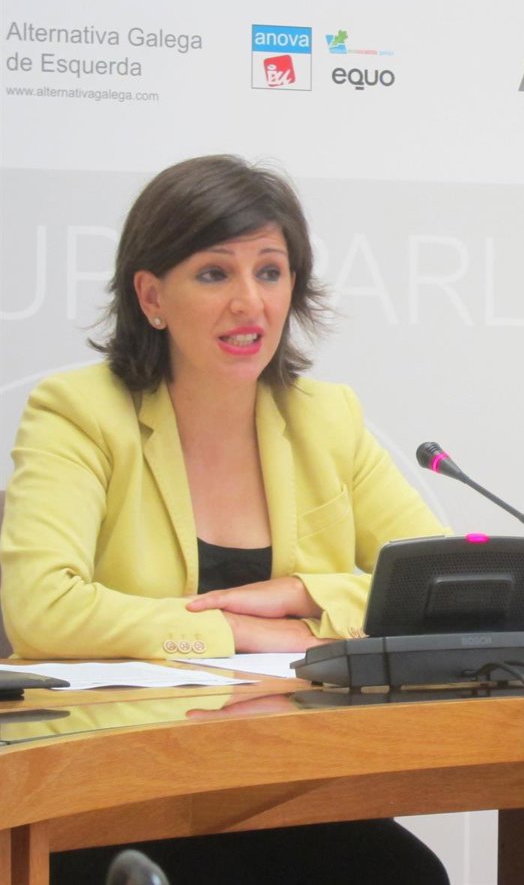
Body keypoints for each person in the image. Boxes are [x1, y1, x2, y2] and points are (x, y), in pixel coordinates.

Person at [0, 155, 451, 884]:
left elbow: (441, 584)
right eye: (214, 274)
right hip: (118, 789)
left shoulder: (327, 419)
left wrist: (306, 594)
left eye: (269, 272)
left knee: (406, 876)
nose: (250, 303)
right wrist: (236, 630)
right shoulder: (79, 412)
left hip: (286, 783)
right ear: (152, 296)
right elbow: (41, 608)